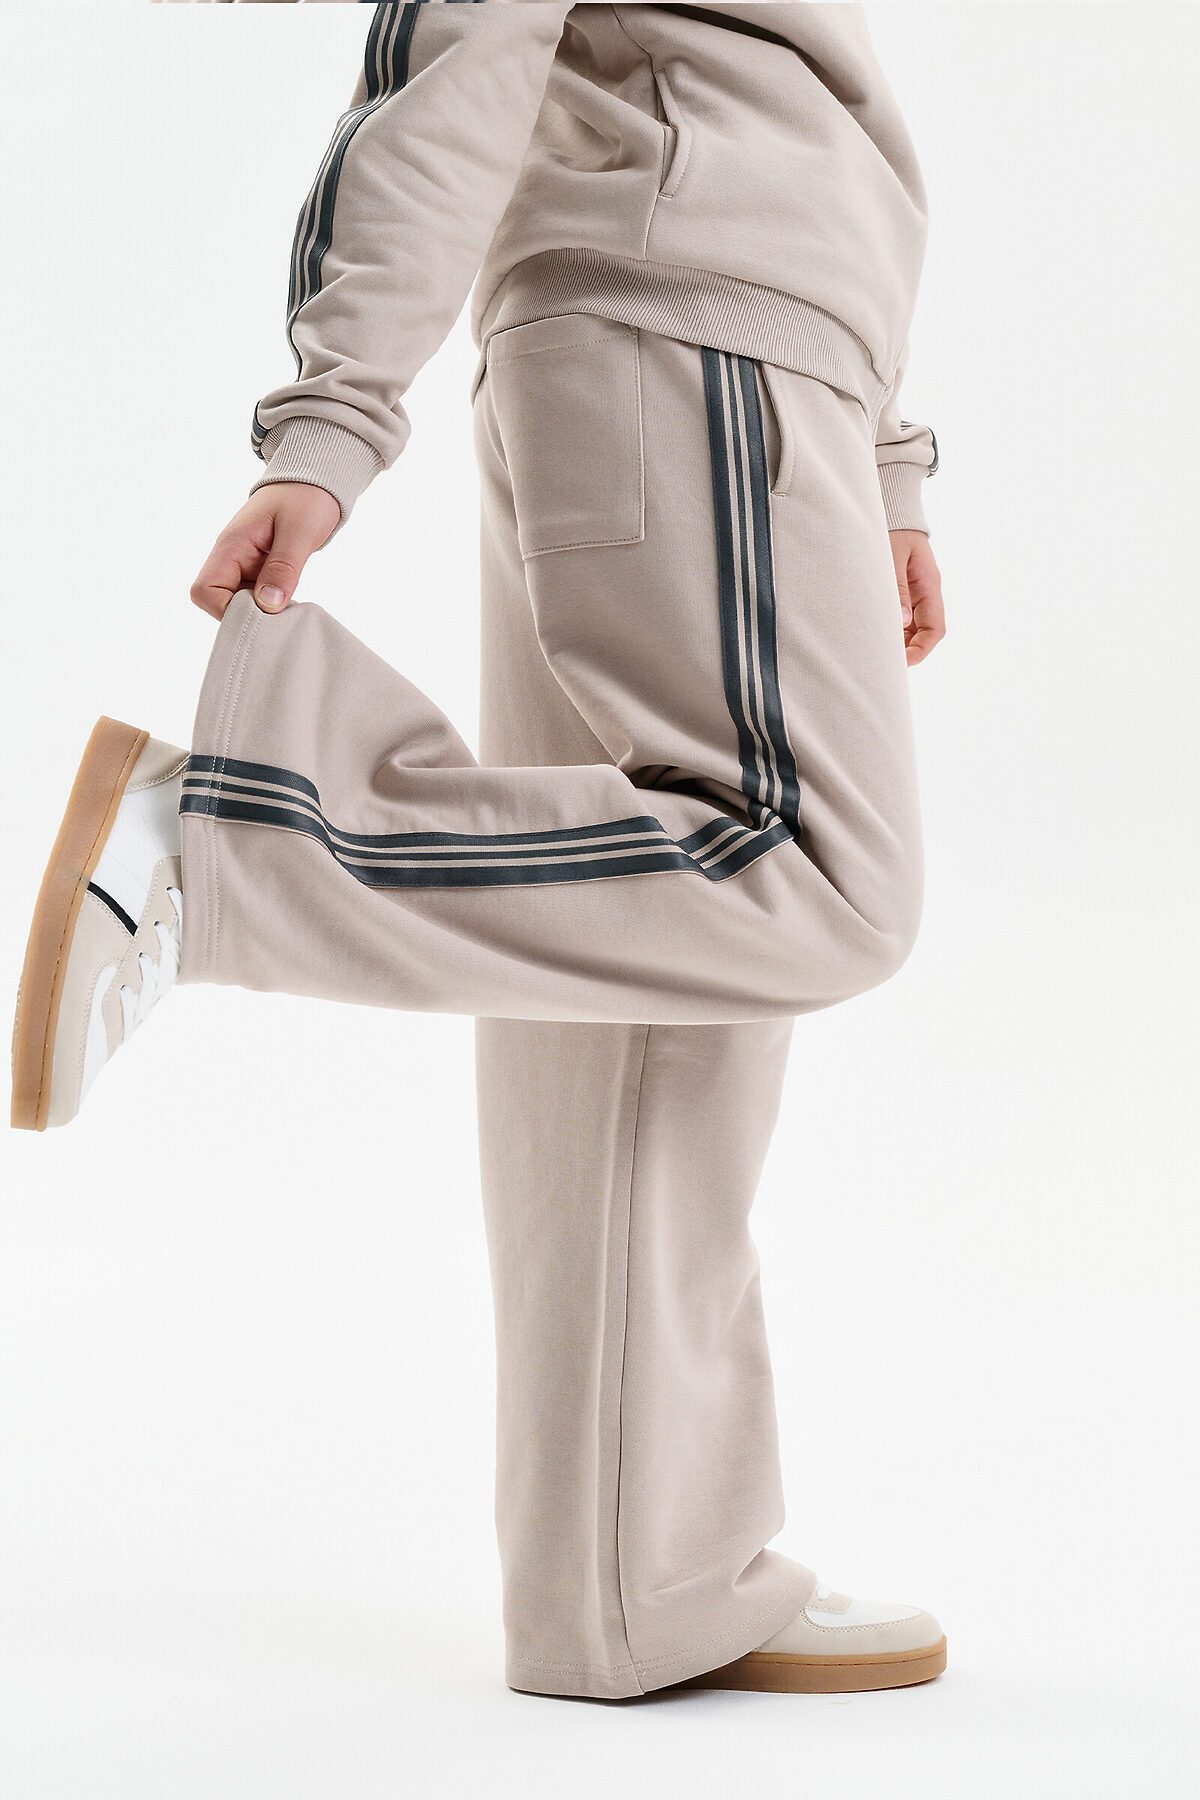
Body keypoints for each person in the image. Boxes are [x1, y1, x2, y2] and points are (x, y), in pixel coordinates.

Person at [11, 1, 947, 1700]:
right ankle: (226, 838)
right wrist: (332, 415)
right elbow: (459, 44)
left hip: (709, 347)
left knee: (639, 990)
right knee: (813, 870)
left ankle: (633, 1589)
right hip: (693, 336)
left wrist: (879, 446)